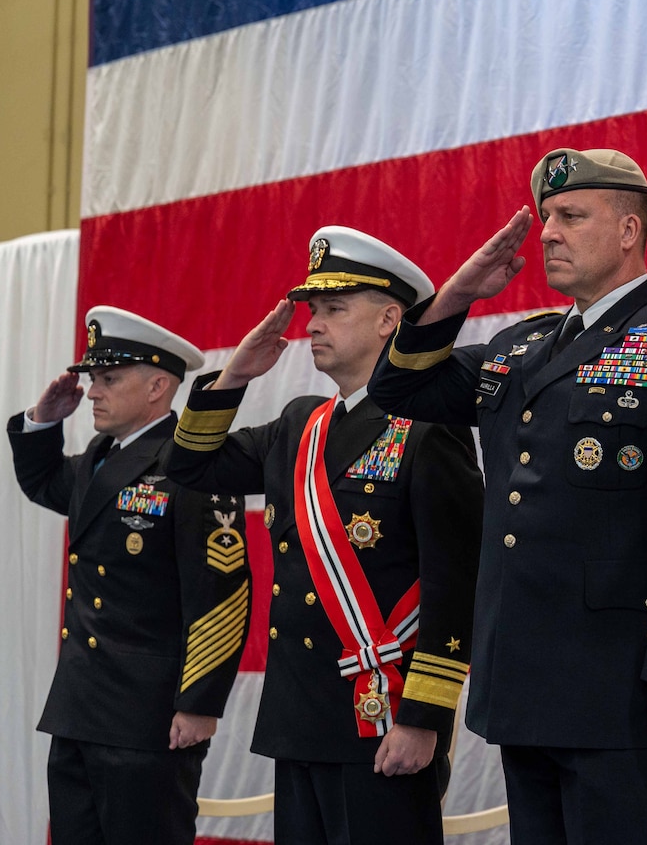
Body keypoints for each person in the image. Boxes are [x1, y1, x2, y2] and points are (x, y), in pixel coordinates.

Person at [369, 148, 647, 845]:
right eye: (546, 216)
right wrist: (457, 294)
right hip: (525, 682)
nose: (548, 232)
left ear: (629, 229)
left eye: (571, 216)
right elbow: (396, 389)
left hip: (625, 688)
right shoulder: (521, 346)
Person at [167, 226, 483, 845]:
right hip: (300, 714)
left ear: (391, 319)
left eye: (335, 309)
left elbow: (455, 584)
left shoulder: (427, 428)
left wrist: (423, 719)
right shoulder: (297, 425)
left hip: (381, 715)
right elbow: (189, 468)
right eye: (315, 309)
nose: (313, 324)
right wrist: (235, 375)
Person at [7, 307, 247, 845]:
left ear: (158, 386)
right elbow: (44, 482)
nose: (93, 391)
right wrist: (44, 421)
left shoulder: (194, 460)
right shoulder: (99, 455)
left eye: (109, 378)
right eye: (94, 378)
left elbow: (221, 594)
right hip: (80, 706)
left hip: (149, 715)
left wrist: (200, 702)